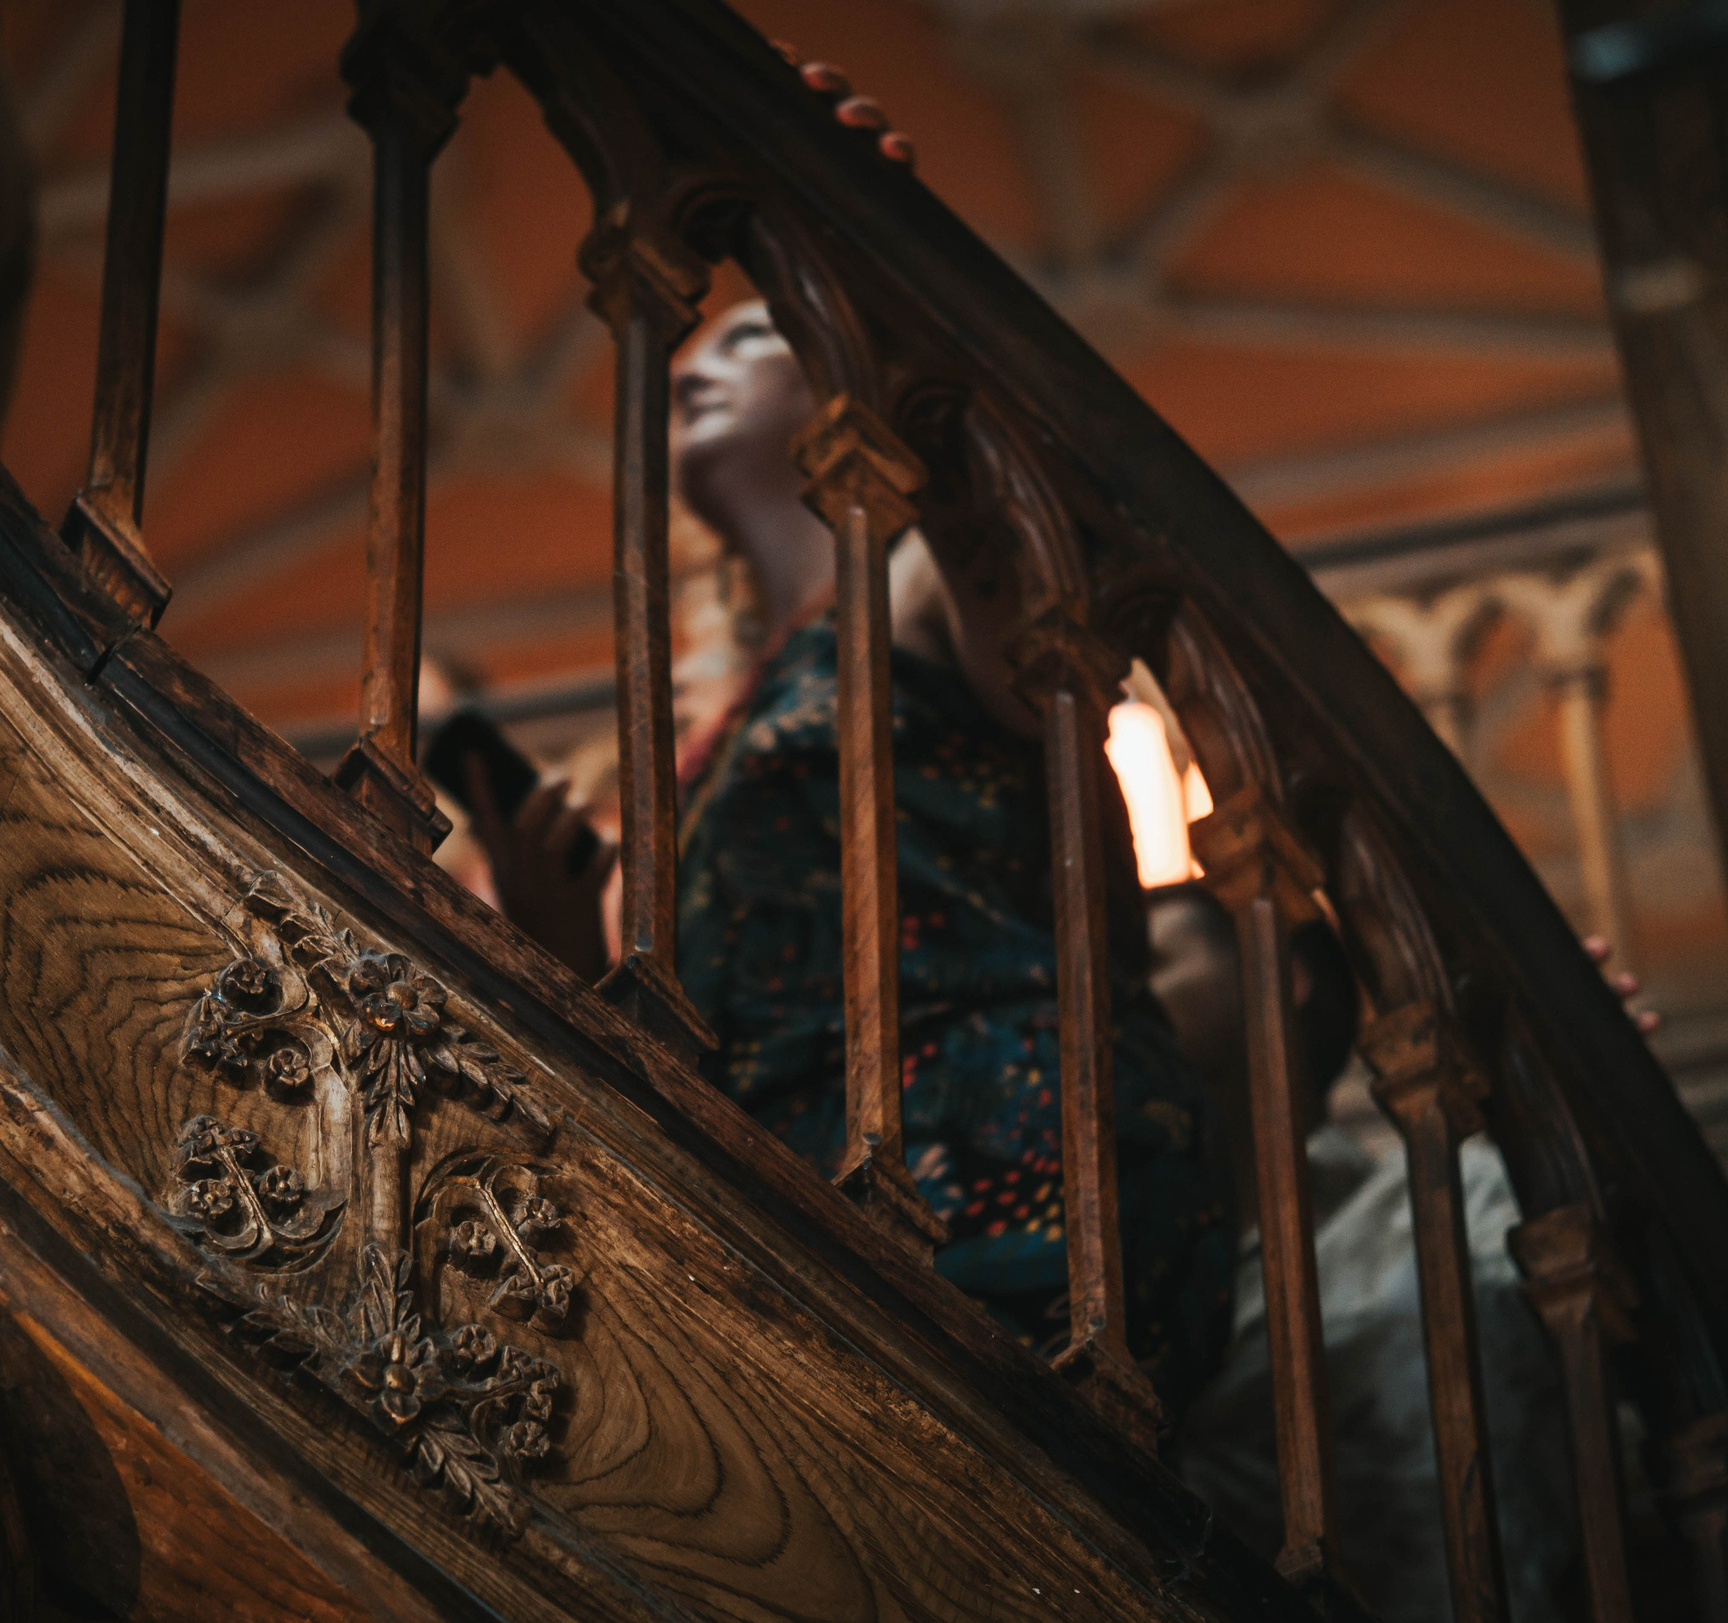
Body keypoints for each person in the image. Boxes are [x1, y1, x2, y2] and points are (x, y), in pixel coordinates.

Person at [471, 302, 1234, 1419]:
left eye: (745, 337)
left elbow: (1034, 596)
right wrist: (562, 946)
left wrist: (881, 289)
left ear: (844, 372)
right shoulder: (739, 704)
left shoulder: (920, 576)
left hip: (1003, 1152)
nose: (691, 369)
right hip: (803, 1191)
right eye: (693, 345)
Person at [1148, 885, 1589, 1623]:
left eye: (1152, 960)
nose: (1119, 994)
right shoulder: (1141, 1284)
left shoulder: (1456, 1194)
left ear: (1283, 973)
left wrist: (1584, 1127)